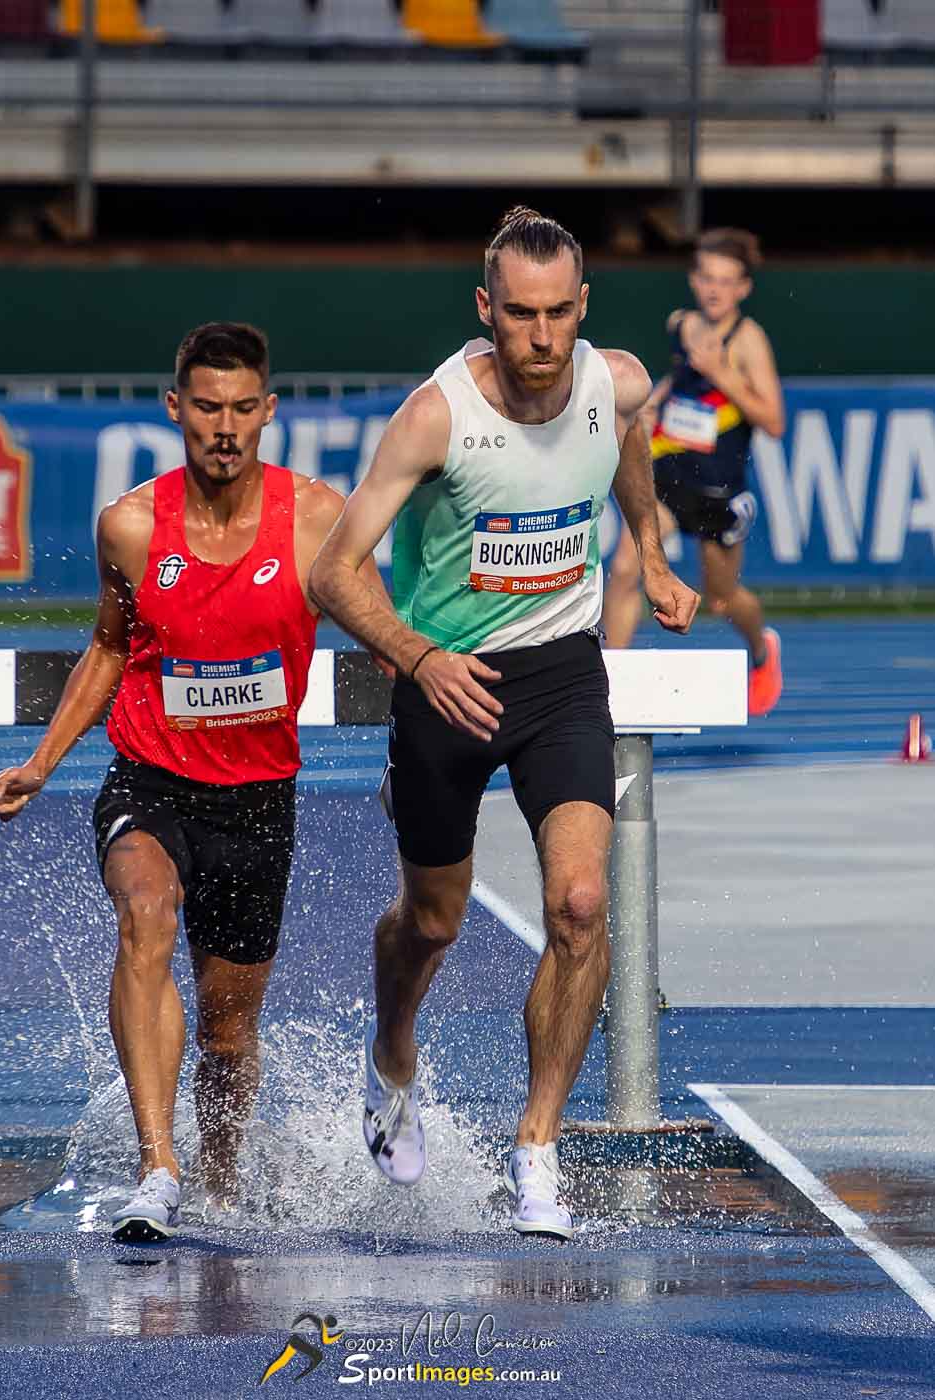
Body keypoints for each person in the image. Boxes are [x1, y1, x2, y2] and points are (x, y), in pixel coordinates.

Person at [309, 208, 699, 1240]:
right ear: (487, 308)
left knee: (579, 903)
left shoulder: (616, 382)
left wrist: (651, 553)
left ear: (583, 305)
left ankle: (537, 1148)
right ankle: (392, 1053)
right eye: (520, 314)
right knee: (433, 921)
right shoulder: (435, 417)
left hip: (562, 673)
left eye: (559, 313)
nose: (541, 335)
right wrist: (419, 658)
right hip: (448, 683)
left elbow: (628, 438)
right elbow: (333, 571)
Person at [0, 321, 385, 1244]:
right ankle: (157, 1168)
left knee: (228, 1036)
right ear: (176, 409)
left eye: (242, 408)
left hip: (260, 802)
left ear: (269, 411)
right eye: (207, 407)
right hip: (150, 782)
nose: (225, 427)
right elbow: (108, 648)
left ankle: (222, 1179)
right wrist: (41, 764)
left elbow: (384, 632)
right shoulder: (129, 526)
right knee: (145, 914)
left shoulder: (317, 517)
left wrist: (435, 693)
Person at [602, 228, 786, 716]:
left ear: (744, 288)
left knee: (721, 599)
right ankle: (607, 688)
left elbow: (774, 421)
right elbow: (681, 378)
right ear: (693, 279)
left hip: (718, 491)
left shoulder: (748, 340)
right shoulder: (681, 325)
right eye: (707, 278)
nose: (714, 289)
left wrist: (723, 373)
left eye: (726, 281)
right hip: (666, 478)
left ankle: (763, 649)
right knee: (626, 569)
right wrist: (654, 403)